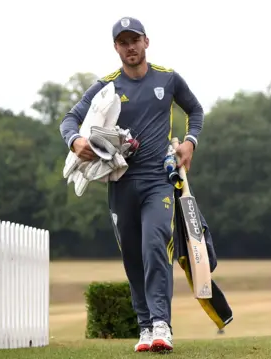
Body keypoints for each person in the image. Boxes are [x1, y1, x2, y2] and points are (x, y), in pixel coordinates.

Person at [59, 16, 204, 353]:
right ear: (116, 48)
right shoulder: (107, 85)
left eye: (134, 40)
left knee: (155, 244)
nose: (130, 47)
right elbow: (70, 119)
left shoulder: (168, 79)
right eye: (123, 42)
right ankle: (144, 328)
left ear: (146, 42)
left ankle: (161, 325)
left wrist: (190, 143)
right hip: (121, 182)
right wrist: (75, 141)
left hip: (159, 181)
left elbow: (195, 110)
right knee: (133, 258)